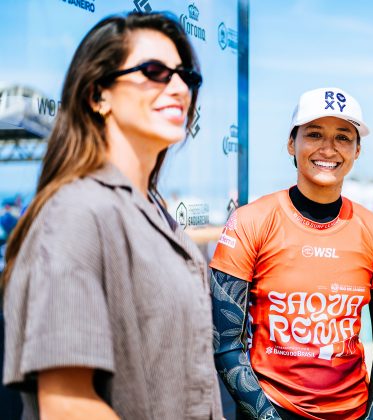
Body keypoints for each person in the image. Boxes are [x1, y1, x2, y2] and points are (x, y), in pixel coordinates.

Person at [2, 12, 222, 419]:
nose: (177, 87)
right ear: (97, 95)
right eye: (154, 71)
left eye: (185, 76)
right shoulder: (76, 214)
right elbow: (68, 405)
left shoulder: (153, 214)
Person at [210, 87, 373, 419]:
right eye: (314, 134)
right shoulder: (249, 222)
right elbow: (225, 344)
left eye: (343, 137)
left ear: (357, 150)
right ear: (292, 143)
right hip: (267, 412)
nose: (328, 148)